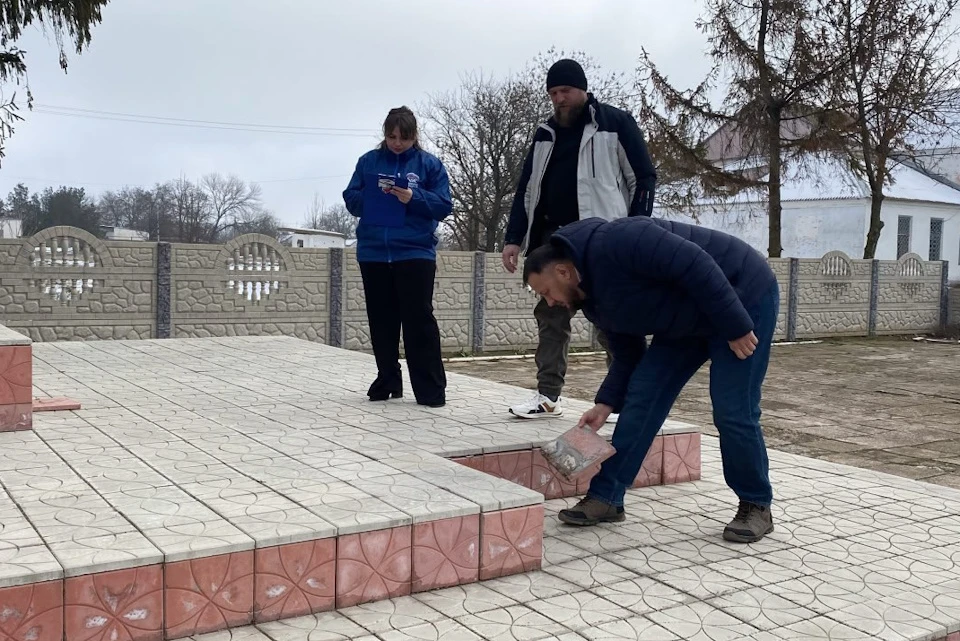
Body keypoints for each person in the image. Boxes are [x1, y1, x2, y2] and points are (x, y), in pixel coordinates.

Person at [522, 216, 779, 543]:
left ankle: (756, 503)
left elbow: (697, 264)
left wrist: (736, 326)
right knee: (643, 396)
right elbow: (628, 355)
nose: (550, 302)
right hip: (686, 322)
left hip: (742, 296)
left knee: (733, 409)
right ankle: (607, 498)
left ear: (563, 272)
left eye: (546, 292)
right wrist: (605, 404)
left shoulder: (622, 239)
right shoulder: (594, 304)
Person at [501, 58, 657, 421]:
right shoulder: (544, 133)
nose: (560, 99)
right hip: (550, 244)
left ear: (582, 89)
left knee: (613, 322)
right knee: (550, 319)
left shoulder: (615, 124)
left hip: (600, 245)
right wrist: (513, 239)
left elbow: (643, 178)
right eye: (553, 93)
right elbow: (526, 190)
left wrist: (634, 231)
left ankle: (634, 398)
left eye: (565, 91)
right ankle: (547, 396)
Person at [342, 106, 452, 408]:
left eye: (404, 137)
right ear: (385, 134)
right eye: (392, 136)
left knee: (419, 321)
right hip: (374, 252)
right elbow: (351, 198)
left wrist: (413, 197)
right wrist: (373, 198)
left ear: (414, 135)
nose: (397, 143)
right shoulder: (369, 162)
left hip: (415, 252)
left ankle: (430, 389)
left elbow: (444, 205)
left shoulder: (429, 165)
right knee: (381, 319)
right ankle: (387, 377)